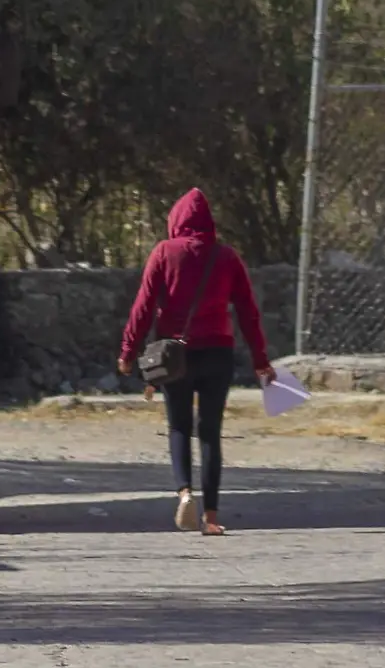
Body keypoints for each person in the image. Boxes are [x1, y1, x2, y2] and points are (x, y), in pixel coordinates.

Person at [118, 188, 275, 536]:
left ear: (176, 221)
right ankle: (213, 517)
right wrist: (261, 360)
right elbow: (249, 313)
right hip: (218, 352)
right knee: (210, 433)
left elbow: (143, 307)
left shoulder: (164, 252)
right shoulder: (227, 257)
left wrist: (129, 352)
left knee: (178, 427)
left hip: (175, 355)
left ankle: (185, 493)